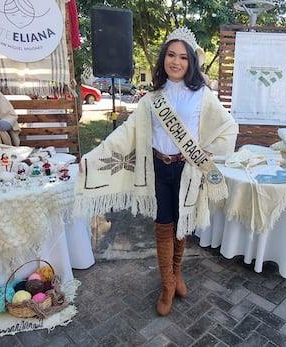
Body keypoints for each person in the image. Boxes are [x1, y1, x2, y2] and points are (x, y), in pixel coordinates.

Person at [74, 27, 238, 316]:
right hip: (158, 169)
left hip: (186, 171)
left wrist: (208, 151)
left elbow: (227, 127)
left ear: (192, 62)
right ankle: (166, 285)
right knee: (164, 225)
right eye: (171, 55)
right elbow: (126, 133)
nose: (176, 62)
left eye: (183, 57)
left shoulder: (202, 95)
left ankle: (177, 275)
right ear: (164, 59)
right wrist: (92, 156)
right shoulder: (152, 99)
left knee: (181, 223)